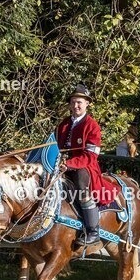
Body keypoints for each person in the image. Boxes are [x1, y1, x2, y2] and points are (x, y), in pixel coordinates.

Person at [56, 84, 116, 245]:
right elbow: (55, 147)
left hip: (85, 166)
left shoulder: (92, 126)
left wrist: (69, 164)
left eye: (79, 102)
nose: (76, 106)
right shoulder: (63, 124)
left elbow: (90, 155)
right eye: (73, 102)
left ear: (87, 104)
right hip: (61, 164)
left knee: (82, 185)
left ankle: (93, 230)